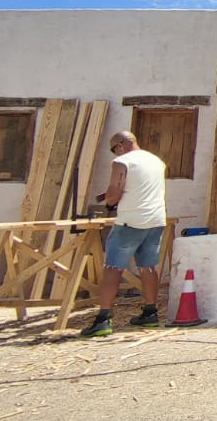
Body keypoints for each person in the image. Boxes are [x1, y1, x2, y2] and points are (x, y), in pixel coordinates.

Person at [82, 131, 168, 337]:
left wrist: (109, 202)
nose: (114, 154)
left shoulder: (122, 162)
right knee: (148, 267)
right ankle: (150, 312)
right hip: (156, 219)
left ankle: (103, 318)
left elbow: (113, 194)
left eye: (113, 150)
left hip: (130, 221)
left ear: (120, 146)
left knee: (113, 267)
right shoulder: (157, 161)